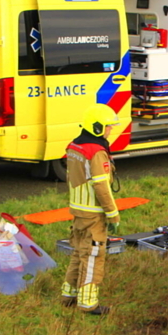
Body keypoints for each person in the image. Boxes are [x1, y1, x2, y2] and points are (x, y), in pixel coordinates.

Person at [61, 104, 121, 315]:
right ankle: (88, 303)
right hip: (93, 212)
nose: (110, 130)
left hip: (77, 209)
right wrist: (113, 214)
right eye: (108, 127)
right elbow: (101, 186)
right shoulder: (95, 152)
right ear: (97, 127)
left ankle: (68, 294)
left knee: (79, 251)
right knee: (93, 255)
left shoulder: (74, 146)